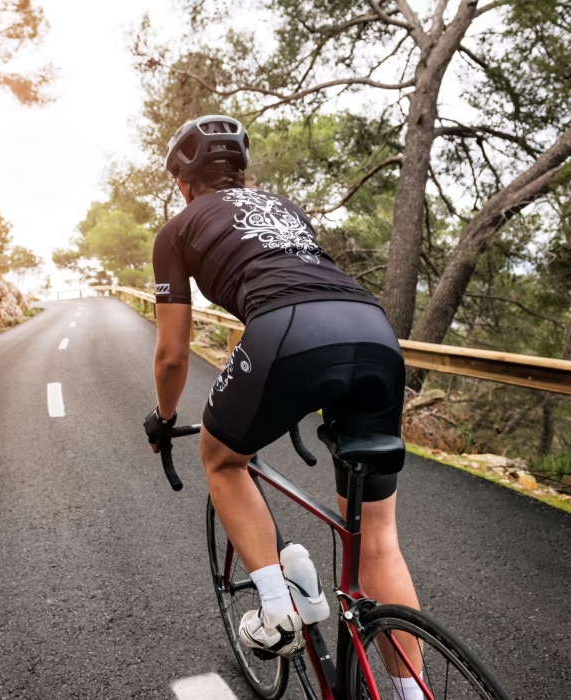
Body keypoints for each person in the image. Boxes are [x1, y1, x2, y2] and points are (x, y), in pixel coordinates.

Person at [142, 115, 421, 686]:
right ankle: (409, 694)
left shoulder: (177, 229)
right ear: (242, 174)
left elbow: (172, 353)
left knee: (223, 459)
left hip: (287, 335)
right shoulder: (288, 209)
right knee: (378, 539)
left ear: (183, 183)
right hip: (373, 333)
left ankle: (276, 611)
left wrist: (164, 418)